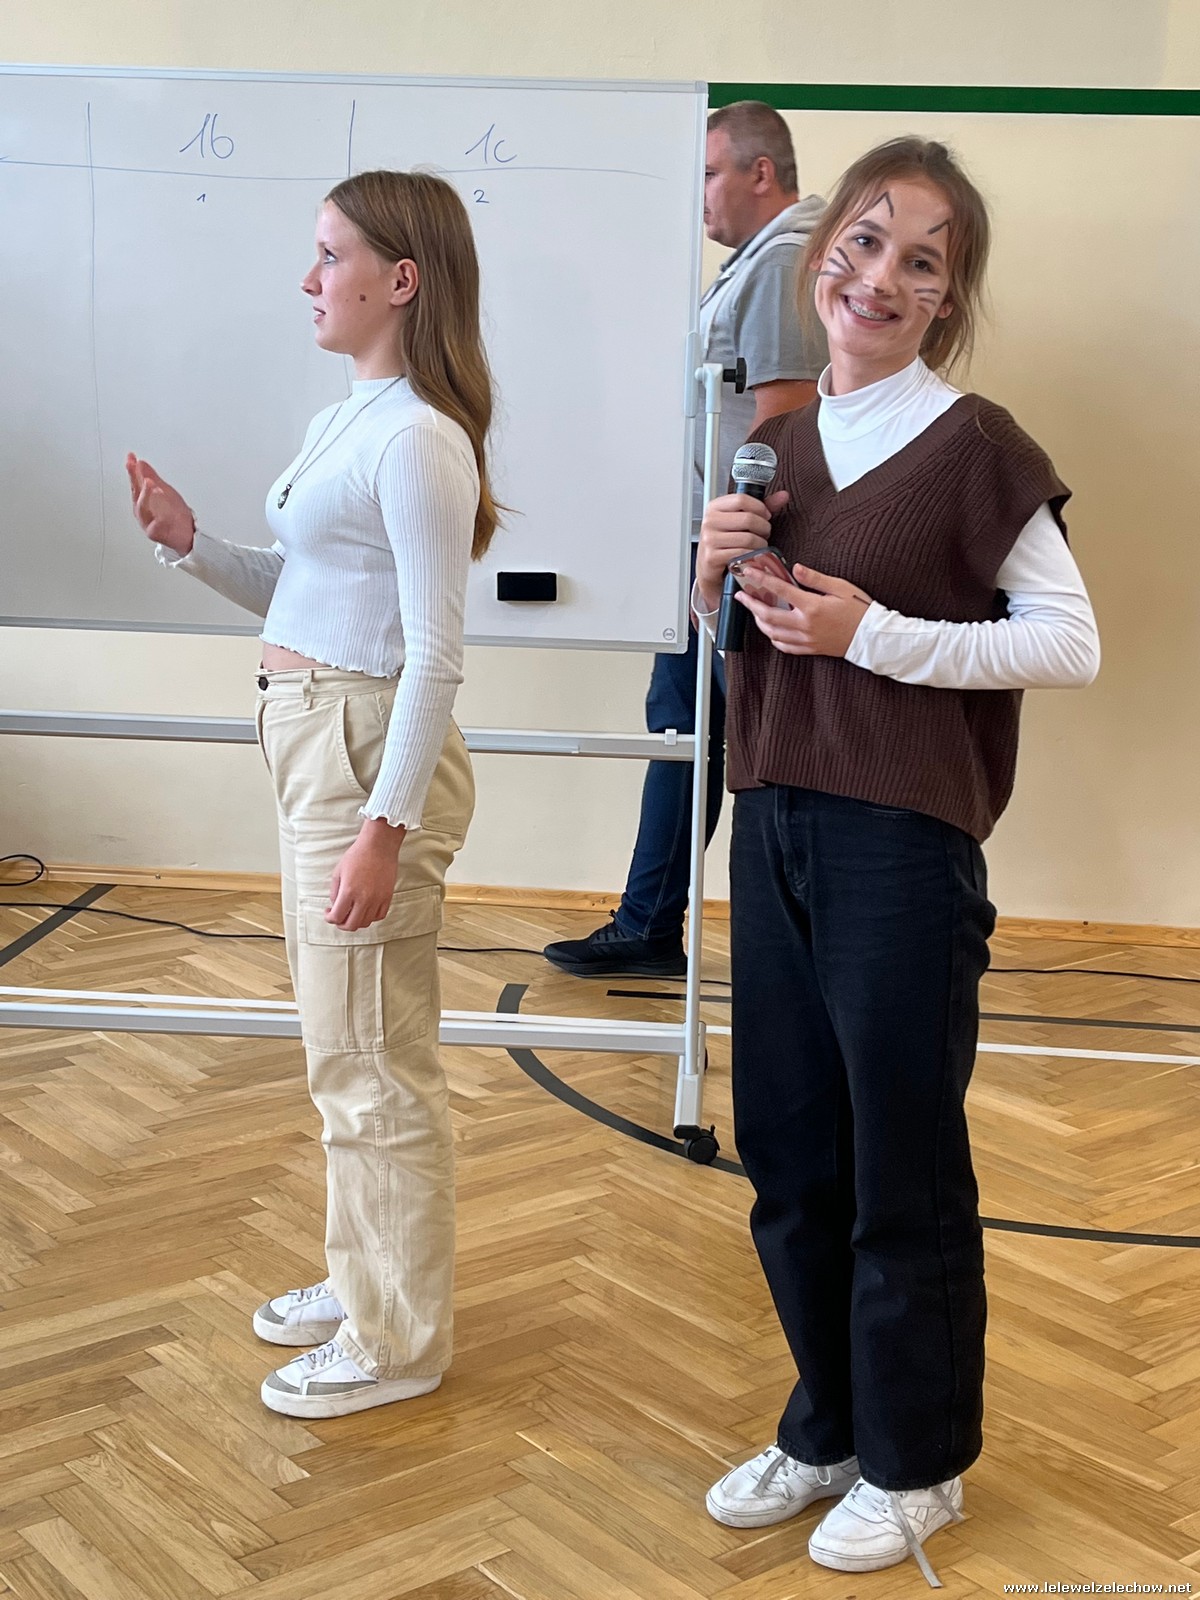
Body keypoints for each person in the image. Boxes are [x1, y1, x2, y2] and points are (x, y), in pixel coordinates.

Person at [694, 138, 1100, 1581]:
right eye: (865, 242)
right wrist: (715, 579)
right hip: (775, 822)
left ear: (945, 298)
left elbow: (1069, 643)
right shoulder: (781, 450)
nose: (880, 275)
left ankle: (919, 1463)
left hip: (902, 849)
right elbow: (754, 648)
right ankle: (830, 1425)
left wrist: (872, 635)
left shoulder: (979, 449)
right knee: (790, 1153)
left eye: (921, 261)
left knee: (900, 1169)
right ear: (824, 258)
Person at [126, 170, 499, 1420]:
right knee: (344, 1046)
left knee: (373, 1060)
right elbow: (302, 589)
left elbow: (434, 657)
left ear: (401, 279)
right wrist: (189, 542)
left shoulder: (420, 438)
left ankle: (397, 1342)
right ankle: (365, 1278)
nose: (308, 278)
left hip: (362, 751)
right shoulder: (350, 417)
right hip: (316, 739)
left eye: (330, 255)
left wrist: (385, 828)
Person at [543, 102, 827, 978]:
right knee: (683, 730)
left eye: (707, 173)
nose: (696, 194)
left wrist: (741, 552)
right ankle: (649, 922)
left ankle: (737, 935)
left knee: (731, 738)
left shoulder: (783, 261)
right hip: (712, 546)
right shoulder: (757, 263)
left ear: (760, 173)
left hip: (743, 548)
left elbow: (786, 418)